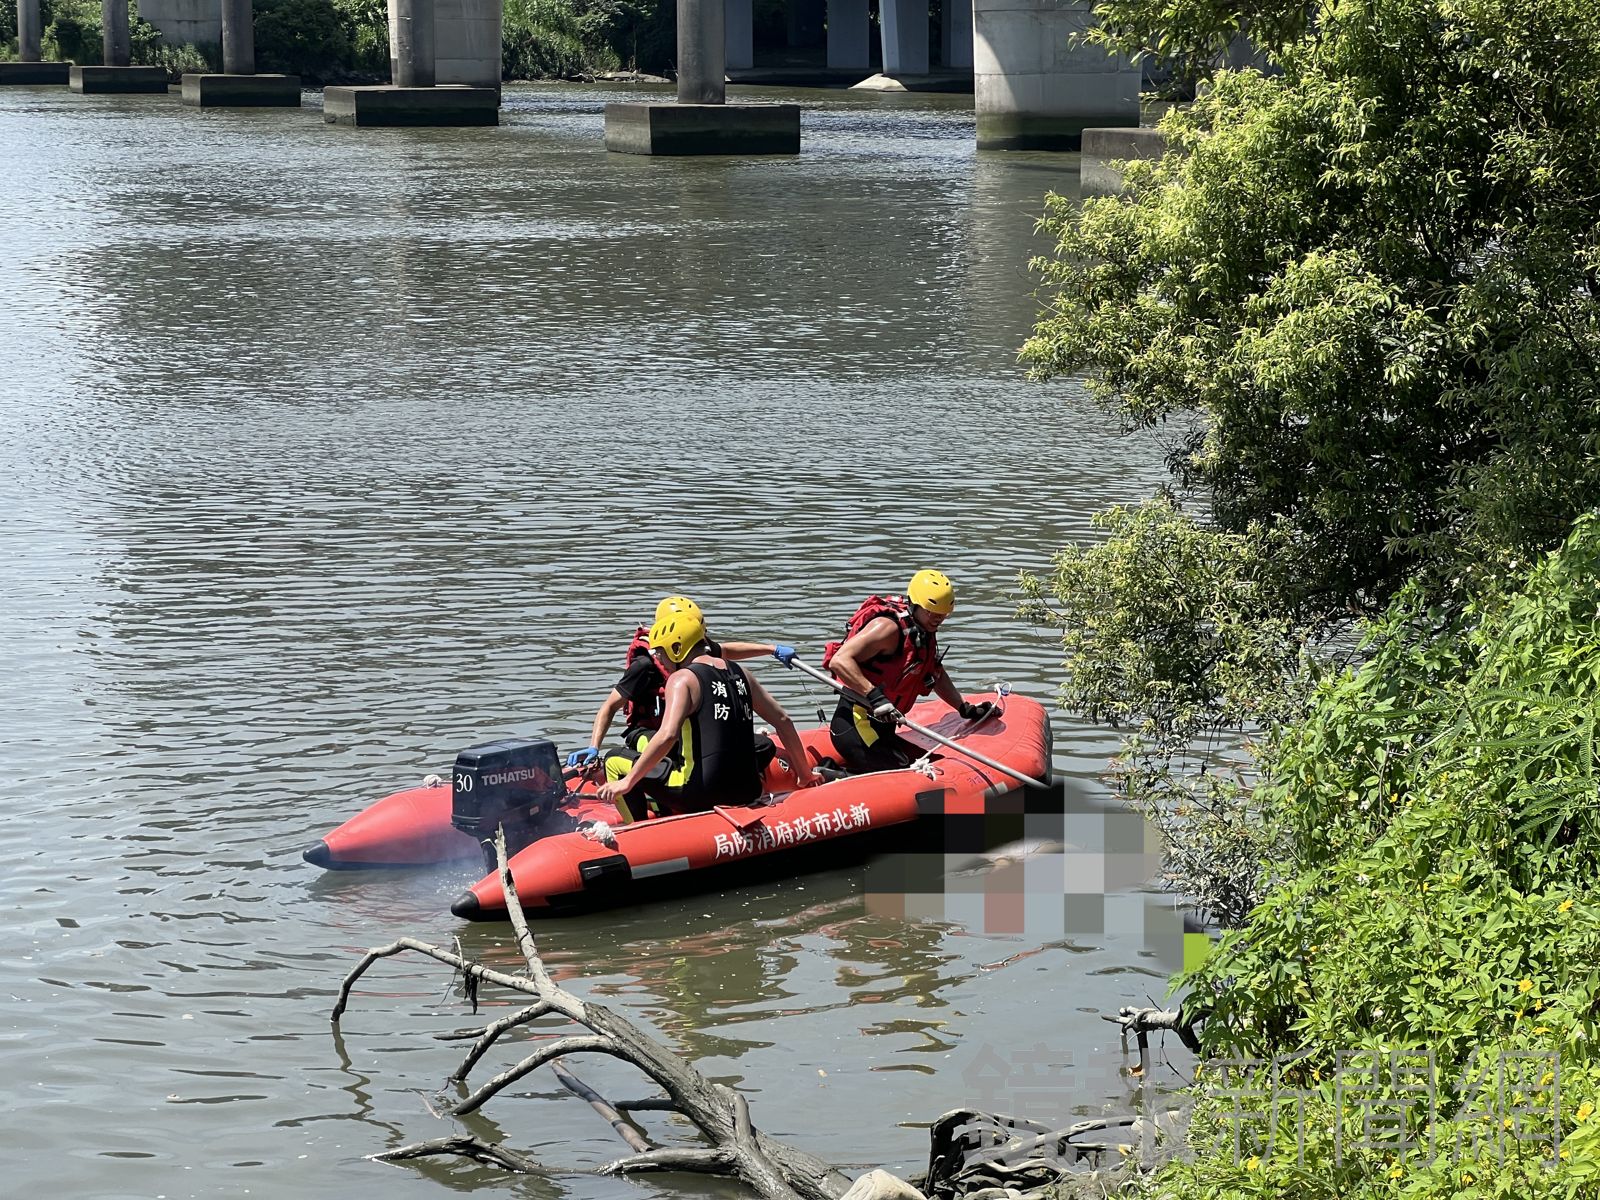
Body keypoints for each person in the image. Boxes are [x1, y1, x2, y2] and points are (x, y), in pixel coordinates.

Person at [597, 607, 821, 822]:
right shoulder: (741, 672)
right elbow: (783, 720)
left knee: (614, 759)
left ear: (676, 649)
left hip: (699, 792)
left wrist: (627, 782)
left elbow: (667, 735)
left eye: (660, 653)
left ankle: (637, 831)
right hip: (746, 790)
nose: (660, 660)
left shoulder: (682, 679)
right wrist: (804, 774)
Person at [567, 594, 796, 769]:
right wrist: (594, 746)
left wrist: (771, 649)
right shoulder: (646, 665)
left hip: (684, 732)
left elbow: (725, 650)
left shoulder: (693, 648)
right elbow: (610, 706)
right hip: (648, 732)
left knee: (763, 746)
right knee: (675, 746)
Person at [823, 569, 995, 775]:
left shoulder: (923, 631)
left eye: (943, 615)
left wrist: (964, 708)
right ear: (915, 604)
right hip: (857, 723)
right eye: (931, 613)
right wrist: (874, 696)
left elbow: (935, 675)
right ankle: (829, 775)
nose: (937, 619)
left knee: (920, 763)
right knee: (902, 775)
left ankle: (840, 769)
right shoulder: (887, 628)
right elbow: (839, 660)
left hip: (883, 727)